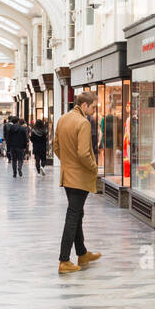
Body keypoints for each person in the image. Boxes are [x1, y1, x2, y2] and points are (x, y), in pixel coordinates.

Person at [55, 91, 101, 275]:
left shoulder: (63, 119)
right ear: (84, 106)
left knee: (77, 214)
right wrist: (94, 168)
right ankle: (64, 260)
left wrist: (67, 163)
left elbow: (56, 146)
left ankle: (82, 254)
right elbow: (83, 153)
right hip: (80, 177)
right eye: (93, 107)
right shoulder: (83, 123)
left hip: (68, 175)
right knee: (73, 216)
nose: (94, 110)